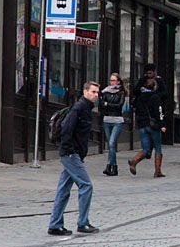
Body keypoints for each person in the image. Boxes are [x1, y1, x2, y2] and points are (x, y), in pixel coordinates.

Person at [48, 81, 100, 236]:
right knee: (86, 185)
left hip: (74, 154)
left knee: (63, 189)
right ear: (85, 92)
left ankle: (55, 225)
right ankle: (83, 223)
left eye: (97, 92)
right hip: (71, 154)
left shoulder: (86, 109)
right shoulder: (79, 108)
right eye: (93, 92)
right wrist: (70, 151)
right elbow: (66, 130)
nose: (96, 95)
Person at [128, 77, 167, 177]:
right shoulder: (155, 97)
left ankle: (134, 161)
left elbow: (137, 110)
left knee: (146, 149)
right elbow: (158, 112)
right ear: (154, 87)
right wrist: (162, 124)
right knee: (158, 147)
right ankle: (157, 171)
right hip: (153, 125)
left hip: (142, 125)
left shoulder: (140, 97)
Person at [99, 73, 126, 177]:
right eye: (111, 80)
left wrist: (107, 104)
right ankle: (113, 167)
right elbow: (102, 104)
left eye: (114, 80)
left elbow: (119, 106)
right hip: (107, 120)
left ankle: (110, 166)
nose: (112, 82)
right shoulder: (105, 91)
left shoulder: (121, 92)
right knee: (111, 145)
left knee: (111, 143)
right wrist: (107, 105)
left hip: (117, 120)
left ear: (118, 81)